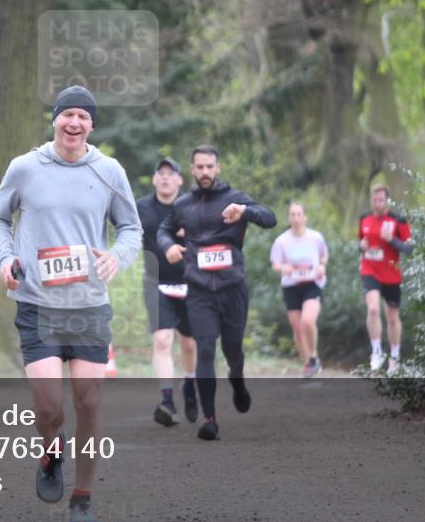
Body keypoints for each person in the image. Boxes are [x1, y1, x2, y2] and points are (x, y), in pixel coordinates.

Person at [0, 85, 142, 522]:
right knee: (49, 406)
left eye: (83, 116)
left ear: (93, 125)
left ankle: (83, 498)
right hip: (37, 303)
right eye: (67, 114)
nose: (74, 123)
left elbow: (130, 227)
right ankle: (51, 452)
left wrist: (118, 255)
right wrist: (5, 257)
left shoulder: (109, 171)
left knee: (89, 403)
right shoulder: (24, 168)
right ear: (55, 119)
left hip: (89, 305)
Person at [157, 145, 277, 441]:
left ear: (218, 167)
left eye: (210, 166)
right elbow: (163, 230)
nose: (205, 172)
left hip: (232, 287)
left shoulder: (234, 198)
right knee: (206, 349)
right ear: (193, 169)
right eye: (199, 167)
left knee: (233, 350)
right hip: (199, 290)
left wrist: (245, 212)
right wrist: (168, 246)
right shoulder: (183, 204)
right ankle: (210, 419)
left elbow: (270, 217)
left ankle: (237, 379)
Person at [136, 157, 198, 426]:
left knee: (190, 343)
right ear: (153, 179)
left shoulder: (192, 204)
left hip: (191, 282)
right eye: (159, 173)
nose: (164, 177)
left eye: (170, 173)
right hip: (156, 281)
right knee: (162, 340)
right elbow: (126, 233)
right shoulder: (140, 208)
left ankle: (191, 384)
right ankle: (167, 402)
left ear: (179, 179)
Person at [358, 184, 413, 374]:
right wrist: (362, 246)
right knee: (372, 309)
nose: (378, 203)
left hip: (391, 273)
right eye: (374, 200)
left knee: (392, 318)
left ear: (387, 200)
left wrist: (391, 240)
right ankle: (377, 351)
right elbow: (362, 242)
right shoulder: (364, 219)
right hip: (369, 270)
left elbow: (409, 248)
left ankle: (395, 357)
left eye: (381, 200)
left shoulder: (398, 220)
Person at [270, 202, 329, 377]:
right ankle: (309, 364)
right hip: (291, 286)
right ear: (289, 218)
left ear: (305, 217)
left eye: (298, 214)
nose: (295, 218)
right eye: (292, 215)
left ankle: (314, 355)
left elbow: (324, 255)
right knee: (297, 328)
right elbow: (275, 264)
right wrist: (283, 268)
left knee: (308, 321)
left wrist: (322, 267)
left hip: (312, 284)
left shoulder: (315, 237)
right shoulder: (281, 240)